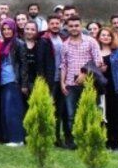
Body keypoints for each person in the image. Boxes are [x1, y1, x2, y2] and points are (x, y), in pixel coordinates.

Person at [60, 15, 103, 149]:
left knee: (91, 112)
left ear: (81, 25)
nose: (74, 28)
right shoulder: (65, 45)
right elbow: (63, 64)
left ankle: (91, 139)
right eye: (71, 26)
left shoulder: (91, 42)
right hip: (70, 85)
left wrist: (84, 73)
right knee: (71, 115)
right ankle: (74, 141)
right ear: (67, 27)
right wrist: (62, 82)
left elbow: (99, 62)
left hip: (89, 83)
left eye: (76, 25)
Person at [0, 18, 25, 146]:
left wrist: (23, 83)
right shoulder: (3, 44)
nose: (7, 31)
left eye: (9, 29)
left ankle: (17, 139)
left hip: (13, 81)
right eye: (4, 29)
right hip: (3, 81)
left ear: (13, 29)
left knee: (13, 111)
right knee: (5, 110)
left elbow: (23, 65)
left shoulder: (18, 43)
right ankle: (9, 137)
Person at [98, 27, 118, 151]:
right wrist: (99, 70)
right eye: (103, 35)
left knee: (116, 116)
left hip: (116, 88)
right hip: (101, 88)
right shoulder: (96, 52)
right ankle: (105, 141)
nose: (105, 37)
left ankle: (117, 142)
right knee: (103, 115)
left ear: (112, 38)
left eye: (108, 35)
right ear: (99, 37)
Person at [41, 13, 69, 147]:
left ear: (61, 23)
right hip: (50, 79)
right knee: (48, 109)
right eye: (52, 23)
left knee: (60, 110)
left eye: (57, 23)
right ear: (48, 24)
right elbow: (40, 63)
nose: (55, 25)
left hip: (62, 80)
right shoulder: (43, 40)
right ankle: (47, 136)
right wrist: (43, 80)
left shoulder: (64, 39)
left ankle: (57, 137)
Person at [19, 21, 53, 97]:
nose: (29, 31)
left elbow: (48, 65)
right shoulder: (19, 44)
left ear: (37, 31)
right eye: (27, 29)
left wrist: (47, 83)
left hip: (38, 80)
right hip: (22, 82)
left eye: (32, 29)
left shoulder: (42, 44)